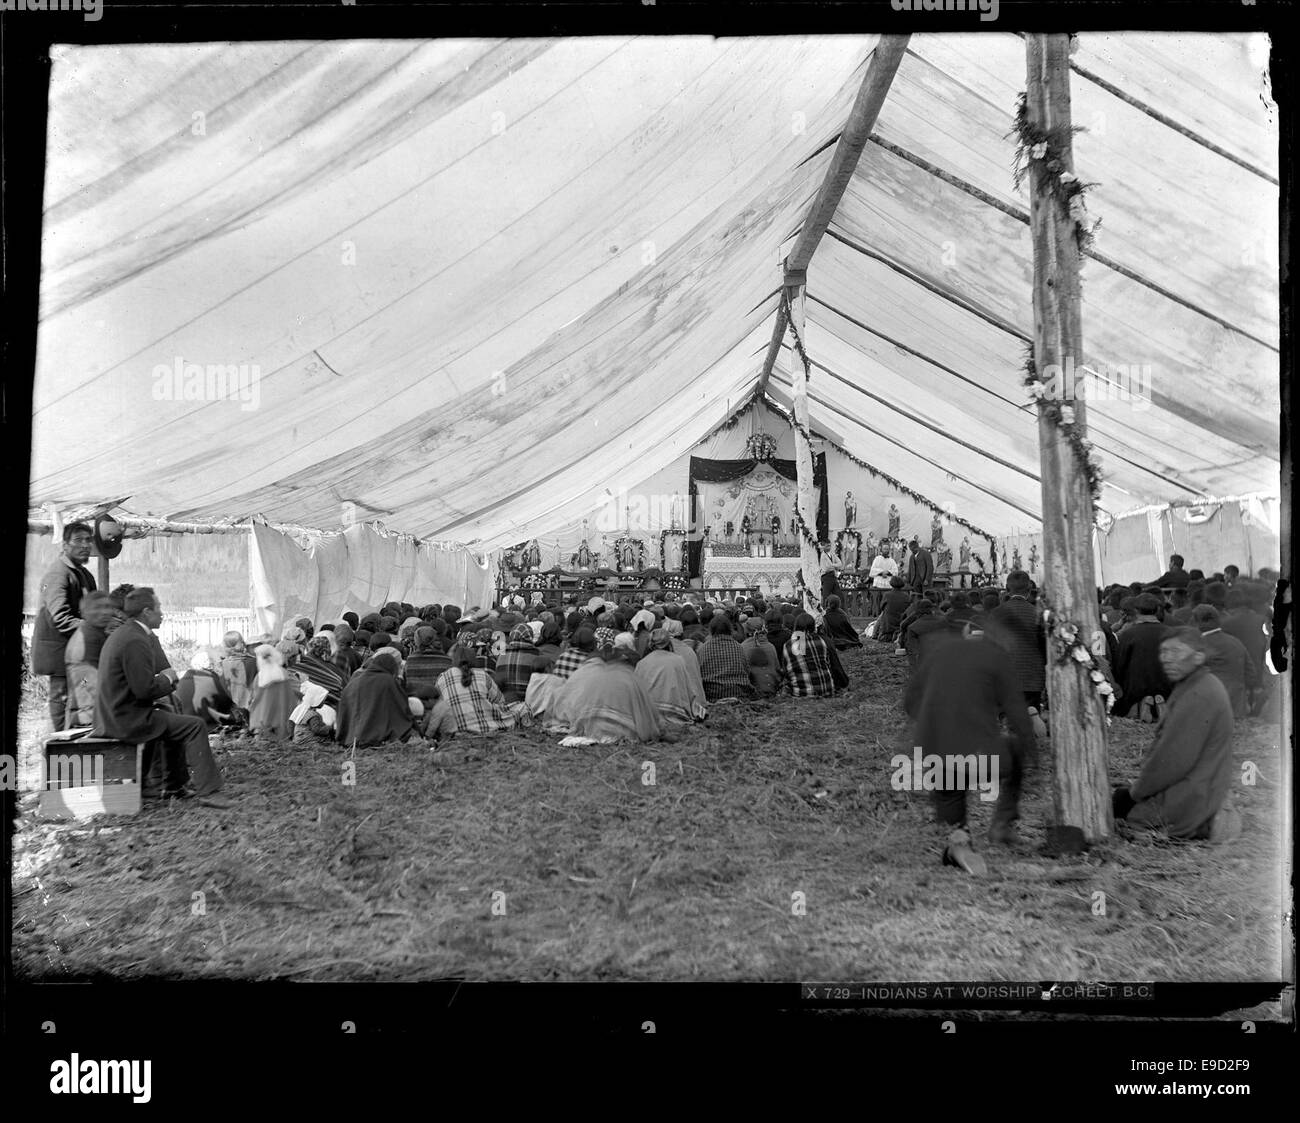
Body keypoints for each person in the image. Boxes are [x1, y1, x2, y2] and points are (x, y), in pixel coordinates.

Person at [903, 617, 1035, 872]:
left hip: (933, 751)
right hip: (979, 752)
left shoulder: (937, 653)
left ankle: (959, 840)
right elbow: (1017, 711)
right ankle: (1003, 823)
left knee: (950, 788)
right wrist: (1033, 752)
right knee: (1014, 751)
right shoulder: (996, 656)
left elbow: (910, 702)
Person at [93, 587, 229, 808]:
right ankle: (209, 792)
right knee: (195, 726)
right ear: (147, 612)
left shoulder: (127, 633)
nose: (162, 613)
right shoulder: (136, 640)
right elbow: (144, 690)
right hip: (127, 720)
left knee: (172, 720)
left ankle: (174, 786)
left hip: (115, 714)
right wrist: (167, 679)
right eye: (159, 608)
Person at [1112, 629, 1235, 839]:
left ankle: (1200, 826)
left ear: (1198, 657)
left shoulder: (1198, 694)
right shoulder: (1200, 684)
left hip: (1194, 796)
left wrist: (1136, 793)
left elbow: (1171, 761)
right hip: (1203, 787)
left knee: (1119, 808)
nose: (1166, 659)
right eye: (1164, 651)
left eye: (1176, 651)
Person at [32, 521, 98, 730]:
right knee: (61, 699)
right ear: (65, 545)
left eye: (88, 540)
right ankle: (55, 747)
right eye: (78, 540)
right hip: (59, 651)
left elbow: (94, 611)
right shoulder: (58, 574)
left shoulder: (84, 575)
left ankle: (72, 742)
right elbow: (60, 617)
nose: (85, 545)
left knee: (82, 698)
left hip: (77, 652)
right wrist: (94, 630)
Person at [553, 642, 661, 742]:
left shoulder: (588, 673)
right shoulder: (632, 681)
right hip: (624, 732)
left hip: (588, 728)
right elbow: (649, 722)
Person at [430, 646, 530, 738]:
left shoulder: (442, 678)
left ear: (454, 660)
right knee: (523, 707)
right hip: (485, 730)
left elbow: (437, 707)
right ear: (474, 659)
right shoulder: (482, 675)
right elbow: (500, 701)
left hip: (454, 731)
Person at [989, 570, 1047, 710]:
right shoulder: (1038, 614)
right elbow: (1044, 647)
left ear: (1007, 589)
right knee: (1032, 721)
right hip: (1032, 678)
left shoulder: (996, 614)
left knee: (1005, 724)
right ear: (1029, 590)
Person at [336, 650, 420, 746]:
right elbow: (402, 709)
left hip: (349, 739)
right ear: (392, 667)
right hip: (375, 739)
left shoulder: (355, 681)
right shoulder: (388, 681)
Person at [1191, 605, 1256, 720]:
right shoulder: (1236, 642)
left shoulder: (1199, 645)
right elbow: (1251, 674)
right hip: (1237, 708)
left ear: (1198, 622)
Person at [1113, 593, 1171, 720]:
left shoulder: (1128, 634)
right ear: (1157, 610)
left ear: (1136, 611)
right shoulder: (1170, 632)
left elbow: (1119, 666)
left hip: (1136, 689)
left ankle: (1140, 704)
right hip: (1166, 687)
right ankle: (1160, 705)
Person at [63, 590, 116, 728]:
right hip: (89, 717)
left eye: (108, 607)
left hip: (98, 712)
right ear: (84, 612)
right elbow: (88, 683)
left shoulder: (97, 635)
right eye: (97, 608)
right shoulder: (85, 642)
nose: (104, 612)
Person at [636, 628, 707, 724]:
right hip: (675, 715)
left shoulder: (641, 663)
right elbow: (689, 691)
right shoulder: (678, 660)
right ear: (669, 644)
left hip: (648, 717)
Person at [698, 613, 755, 702]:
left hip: (713, 696)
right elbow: (747, 671)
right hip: (738, 694)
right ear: (729, 629)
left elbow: (699, 675)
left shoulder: (703, 649)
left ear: (712, 630)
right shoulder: (738, 647)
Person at [176, 650, 237, 732]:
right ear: (210, 665)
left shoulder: (183, 679)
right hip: (204, 725)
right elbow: (227, 702)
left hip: (182, 724)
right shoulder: (211, 679)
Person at [248, 644, 299, 738]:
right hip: (283, 717)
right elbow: (290, 699)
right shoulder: (284, 674)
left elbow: (255, 698)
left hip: (263, 720)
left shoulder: (260, 676)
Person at [783, 613, 837, 698]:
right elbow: (828, 664)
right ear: (813, 627)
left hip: (802, 693)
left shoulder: (789, 645)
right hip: (827, 690)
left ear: (796, 626)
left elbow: (787, 671)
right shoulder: (821, 641)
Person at [495, 623, 546, 704]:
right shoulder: (537, 655)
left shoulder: (501, 655)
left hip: (505, 703)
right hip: (528, 704)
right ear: (530, 637)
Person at [217, 631, 257, 710]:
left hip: (228, 711)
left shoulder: (219, 666)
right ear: (242, 644)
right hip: (250, 710)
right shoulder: (254, 663)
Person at [868, 540, 899, 616]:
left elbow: (896, 571)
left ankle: (886, 615)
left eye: (887, 549)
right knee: (877, 601)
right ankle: (876, 615)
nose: (886, 550)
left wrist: (888, 572)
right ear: (881, 550)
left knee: (887, 601)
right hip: (878, 583)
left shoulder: (891, 560)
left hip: (888, 583)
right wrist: (882, 572)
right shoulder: (877, 559)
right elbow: (872, 571)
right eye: (884, 549)